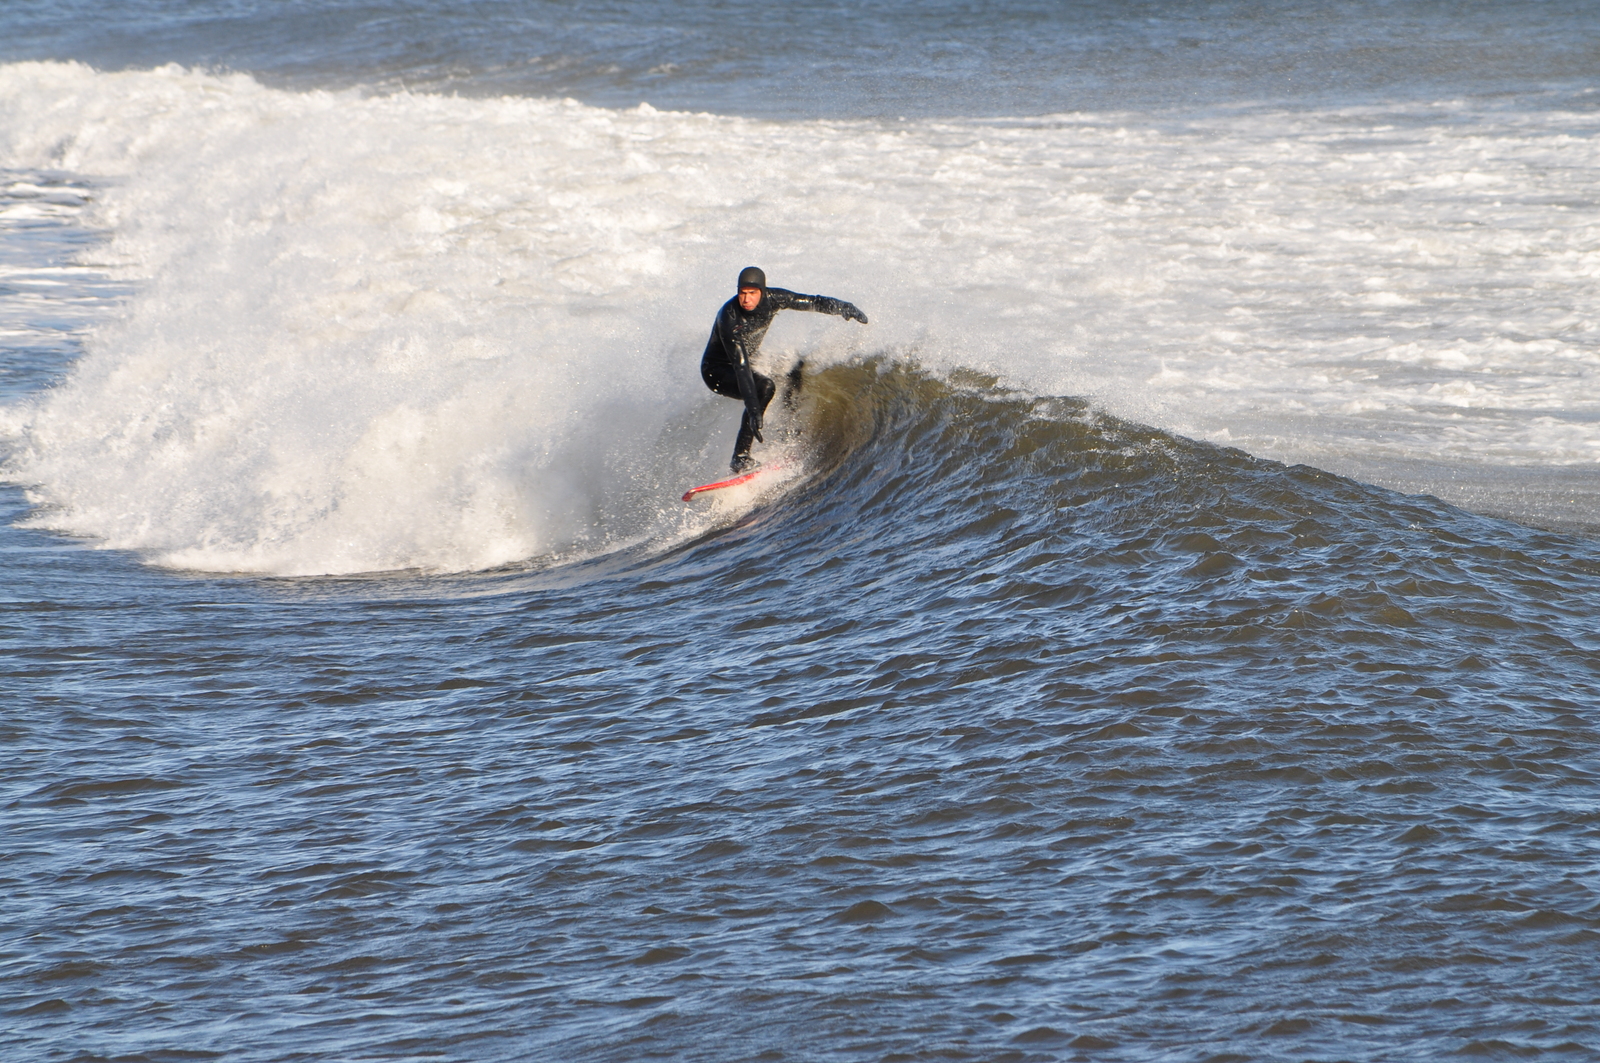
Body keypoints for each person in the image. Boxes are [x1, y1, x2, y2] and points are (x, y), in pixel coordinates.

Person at [700, 266, 868, 472]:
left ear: (762, 291)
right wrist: (753, 410)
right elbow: (741, 366)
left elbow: (812, 301)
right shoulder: (729, 317)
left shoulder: (774, 298)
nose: (746, 299)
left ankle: (790, 427)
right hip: (717, 371)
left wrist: (843, 307)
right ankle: (740, 457)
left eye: (752, 293)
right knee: (765, 387)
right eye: (742, 293)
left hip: (745, 361)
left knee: (794, 366)